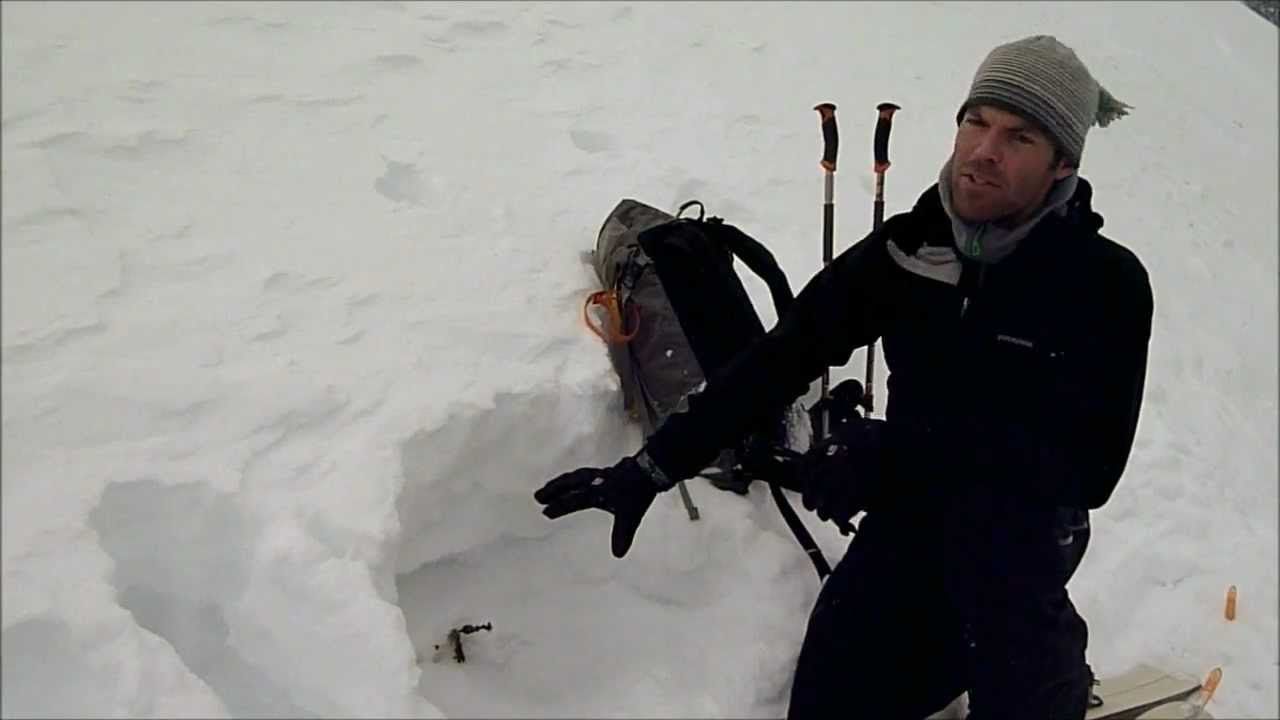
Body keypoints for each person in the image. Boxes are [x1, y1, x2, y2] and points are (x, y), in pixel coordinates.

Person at [534, 35, 1152, 719]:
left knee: (1013, 663)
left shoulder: (1105, 285)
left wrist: (896, 454)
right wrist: (651, 468)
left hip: (1024, 536)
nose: (984, 151)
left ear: (1062, 163)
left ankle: (1054, 681)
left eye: (1019, 137)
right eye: (976, 122)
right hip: (913, 517)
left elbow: (1087, 470)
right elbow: (779, 360)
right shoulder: (909, 251)